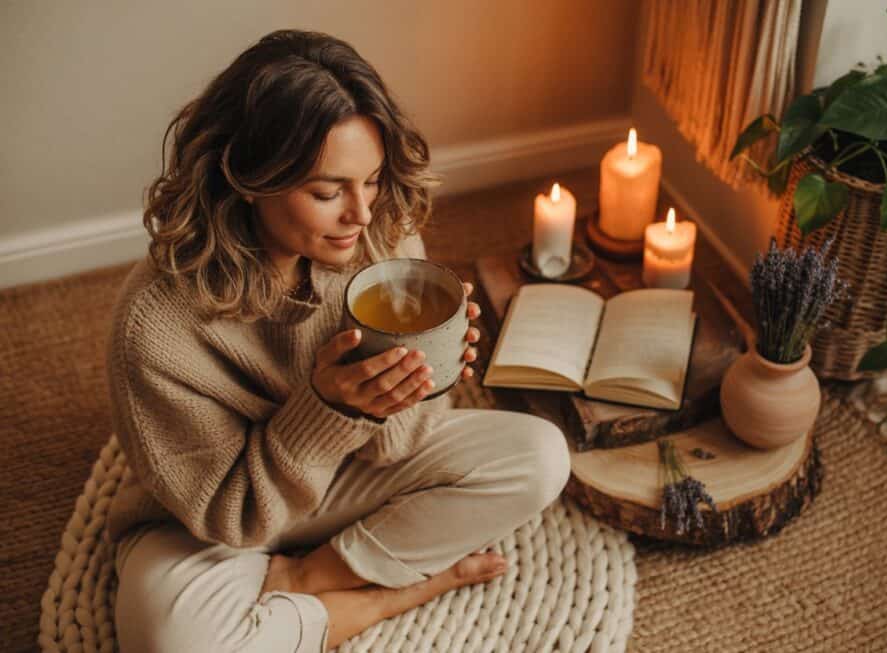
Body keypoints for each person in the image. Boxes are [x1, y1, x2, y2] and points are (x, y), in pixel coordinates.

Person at [105, 29, 572, 653]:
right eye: (326, 192)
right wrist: (328, 409)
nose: (360, 212)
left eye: (372, 180)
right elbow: (228, 518)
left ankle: (311, 577)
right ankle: (390, 597)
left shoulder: (383, 235)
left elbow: (400, 447)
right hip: (221, 516)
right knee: (179, 644)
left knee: (542, 456)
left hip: (349, 478)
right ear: (248, 178)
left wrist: (420, 383)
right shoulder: (155, 325)